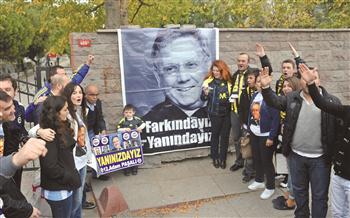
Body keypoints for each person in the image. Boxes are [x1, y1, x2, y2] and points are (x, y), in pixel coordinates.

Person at [260, 66, 341, 217]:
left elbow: (338, 132)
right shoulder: (293, 98)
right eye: (306, 78)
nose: (310, 81)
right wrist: (265, 87)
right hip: (296, 157)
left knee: (319, 197)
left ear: (319, 80)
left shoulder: (331, 101)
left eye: (314, 78)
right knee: (300, 195)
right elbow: (275, 101)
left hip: (321, 161)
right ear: (300, 81)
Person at [142, 29, 213, 154]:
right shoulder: (145, 127)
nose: (183, 78)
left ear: (207, 65)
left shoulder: (221, 112)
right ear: (158, 76)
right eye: (170, 69)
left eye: (191, 65)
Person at [299, 63, 350, 218]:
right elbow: (322, 104)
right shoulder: (347, 111)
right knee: (337, 213)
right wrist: (311, 84)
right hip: (338, 175)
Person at [0, 91, 46, 218]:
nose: (13, 110)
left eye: (12, 105)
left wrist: (25, 140)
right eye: (7, 108)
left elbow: (18, 132)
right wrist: (25, 210)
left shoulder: (6, 123)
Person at [39, 96, 81, 218]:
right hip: (58, 190)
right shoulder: (50, 135)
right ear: (56, 113)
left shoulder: (60, 126)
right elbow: (50, 167)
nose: (68, 112)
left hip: (65, 185)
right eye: (65, 110)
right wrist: (69, 176)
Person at [25, 55, 94, 124]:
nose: (66, 77)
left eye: (65, 74)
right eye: (62, 75)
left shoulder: (65, 86)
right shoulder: (43, 96)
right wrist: (39, 131)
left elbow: (77, 78)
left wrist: (87, 64)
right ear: (54, 77)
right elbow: (31, 117)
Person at [63, 83, 95, 216]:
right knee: (74, 200)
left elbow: (84, 137)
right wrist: (41, 132)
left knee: (78, 198)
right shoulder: (65, 114)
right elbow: (35, 129)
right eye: (74, 93)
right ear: (68, 96)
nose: (78, 95)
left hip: (82, 160)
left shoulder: (81, 111)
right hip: (72, 163)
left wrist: (89, 154)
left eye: (80, 92)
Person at [247, 72, 280, 200]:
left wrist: (271, 137)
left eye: (261, 81)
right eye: (258, 81)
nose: (258, 84)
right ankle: (259, 180)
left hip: (265, 135)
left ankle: (270, 187)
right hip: (254, 133)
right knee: (257, 158)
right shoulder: (255, 95)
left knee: (267, 161)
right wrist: (249, 127)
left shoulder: (272, 98)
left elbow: (276, 119)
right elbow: (251, 113)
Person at [272, 76, 301, 210]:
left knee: (295, 174)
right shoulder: (286, 102)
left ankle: (292, 201)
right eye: (284, 86)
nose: (285, 88)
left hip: (297, 146)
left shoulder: (298, 103)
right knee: (290, 170)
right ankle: (289, 195)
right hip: (288, 143)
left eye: (289, 86)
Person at [229, 53, 259, 173]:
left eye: (243, 61)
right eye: (239, 61)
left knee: (248, 139)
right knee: (236, 138)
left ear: (248, 62)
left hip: (247, 113)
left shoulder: (253, 73)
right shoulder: (235, 74)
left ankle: (249, 167)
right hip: (234, 110)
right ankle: (239, 161)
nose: (240, 63)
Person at [201, 60, 232, 169]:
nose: (215, 72)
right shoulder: (208, 82)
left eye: (218, 70)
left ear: (222, 70)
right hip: (214, 113)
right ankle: (215, 157)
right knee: (215, 135)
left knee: (225, 136)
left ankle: (223, 159)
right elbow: (202, 98)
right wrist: (205, 94)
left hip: (227, 113)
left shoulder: (229, 81)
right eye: (214, 70)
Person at [0, 74, 28, 188]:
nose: (4, 93)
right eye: (0, 90)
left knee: (16, 190)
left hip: (15, 159)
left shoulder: (19, 108)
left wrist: (25, 138)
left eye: (7, 89)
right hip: (2, 165)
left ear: (15, 91)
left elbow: (21, 129)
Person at [237, 69, 259, 183]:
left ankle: (253, 172)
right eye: (247, 78)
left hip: (257, 127)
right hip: (246, 126)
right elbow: (241, 108)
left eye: (251, 78)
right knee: (247, 149)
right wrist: (242, 123)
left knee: (255, 151)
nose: (248, 80)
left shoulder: (260, 93)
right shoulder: (245, 91)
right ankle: (248, 170)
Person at [85, 84, 109, 181]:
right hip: (83, 132)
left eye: (96, 94)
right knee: (85, 155)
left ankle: (98, 173)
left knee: (98, 150)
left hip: (92, 130)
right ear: (86, 94)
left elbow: (100, 117)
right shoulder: (81, 104)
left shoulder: (98, 102)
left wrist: (102, 129)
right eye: (92, 95)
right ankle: (83, 182)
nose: (95, 97)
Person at [117, 104, 145, 176]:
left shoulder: (136, 119)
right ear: (124, 113)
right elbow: (118, 129)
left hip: (135, 141)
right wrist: (124, 129)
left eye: (130, 112)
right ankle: (126, 169)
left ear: (133, 113)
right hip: (126, 142)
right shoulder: (123, 121)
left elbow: (143, 124)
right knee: (126, 154)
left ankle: (134, 168)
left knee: (135, 154)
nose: (128, 114)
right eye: (126, 112)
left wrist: (140, 128)